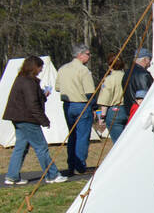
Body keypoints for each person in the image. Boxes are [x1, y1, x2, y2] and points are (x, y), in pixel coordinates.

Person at [3, 56, 67, 185]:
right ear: (34, 67)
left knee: (21, 147)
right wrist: (44, 120)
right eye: (40, 67)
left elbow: (28, 99)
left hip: (18, 118)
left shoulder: (21, 79)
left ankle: (12, 176)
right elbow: (32, 104)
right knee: (41, 147)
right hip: (28, 119)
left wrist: (42, 96)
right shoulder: (29, 82)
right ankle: (52, 175)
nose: (41, 69)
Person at [55, 43, 95, 175]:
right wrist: (94, 107)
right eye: (88, 54)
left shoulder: (62, 69)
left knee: (72, 135)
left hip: (67, 105)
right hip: (81, 104)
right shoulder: (83, 71)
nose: (89, 57)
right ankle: (80, 165)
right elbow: (90, 92)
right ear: (80, 55)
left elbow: (57, 88)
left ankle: (71, 164)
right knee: (82, 136)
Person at [98, 57, 127, 142]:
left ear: (110, 66)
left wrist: (102, 116)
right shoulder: (127, 76)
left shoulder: (109, 79)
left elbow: (105, 99)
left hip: (114, 111)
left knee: (118, 143)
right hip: (128, 110)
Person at [122, 48, 153, 120]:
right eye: (149, 60)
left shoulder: (126, 73)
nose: (149, 63)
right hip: (141, 112)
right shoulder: (144, 74)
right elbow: (148, 94)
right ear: (145, 60)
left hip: (130, 111)